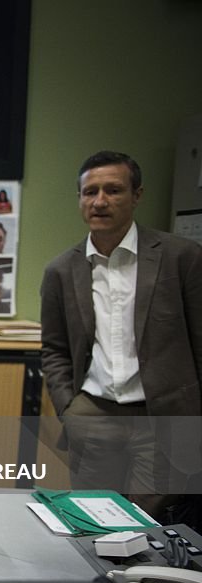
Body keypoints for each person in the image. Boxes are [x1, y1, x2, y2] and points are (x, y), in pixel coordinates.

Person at [41, 150, 202, 522]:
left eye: (112, 190)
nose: (99, 201)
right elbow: (54, 349)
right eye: (89, 191)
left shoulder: (182, 258)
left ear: (137, 194)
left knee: (150, 524)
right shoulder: (61, 270)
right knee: (95, 520)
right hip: (94, 415)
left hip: (161, 417)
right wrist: (70, 408)